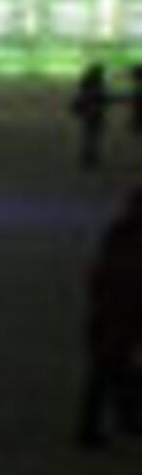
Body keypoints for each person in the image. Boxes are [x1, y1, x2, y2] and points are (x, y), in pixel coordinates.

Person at [81, 189, 142, 450]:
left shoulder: (118, 233)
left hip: (111, 309)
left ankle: (122, 418)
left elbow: (100, 273)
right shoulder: (125, 237)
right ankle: (97, 425)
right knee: (110, 367)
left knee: (111, 367)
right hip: (121, 310)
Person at [72, 63, 111, 171]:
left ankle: (88, 158)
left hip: (89, 115)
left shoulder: (86, 83)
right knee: (93, 137)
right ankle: (90, 159)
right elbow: (102, 98)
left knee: (89, 137)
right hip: (95, 114)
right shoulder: (97, 85)